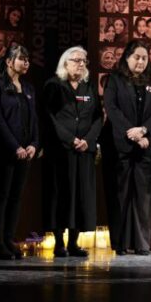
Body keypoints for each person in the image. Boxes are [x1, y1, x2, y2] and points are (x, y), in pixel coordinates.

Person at [101, 40, 151, 255]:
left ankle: (141, 243)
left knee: (143, 196)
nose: (140, 61)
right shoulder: (114, 80)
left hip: (146, 145)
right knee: (119, 195)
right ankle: (119, 242)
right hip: (120, 146)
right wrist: (132, 132)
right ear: (127, 57)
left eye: (144, 58)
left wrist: (144, 130)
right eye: (136, 57)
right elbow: (112, 108)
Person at [43, 46, 103, 258]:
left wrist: (88, 140)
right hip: (62, 151)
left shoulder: (88, 86)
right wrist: (70, 139)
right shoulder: (53, 85)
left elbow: (98, 117)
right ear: (65, 63)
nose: (81, 64)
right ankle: (59, 242)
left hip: (84, 151)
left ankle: (74, 243)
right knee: (62, 195)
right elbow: (49, 116)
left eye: (84, 61)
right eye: (76, 60)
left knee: (80, 196)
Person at [0, 44, 39, 260]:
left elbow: (34, 118)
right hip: (5, 150)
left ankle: (9, 238)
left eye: (27, 59)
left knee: (16, 197)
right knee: (2, 195)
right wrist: (15, 146)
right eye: (21, 59)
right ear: (9, 61)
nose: (26, 63)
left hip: (25, 153)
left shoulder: (28, 88)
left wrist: (34, 144)